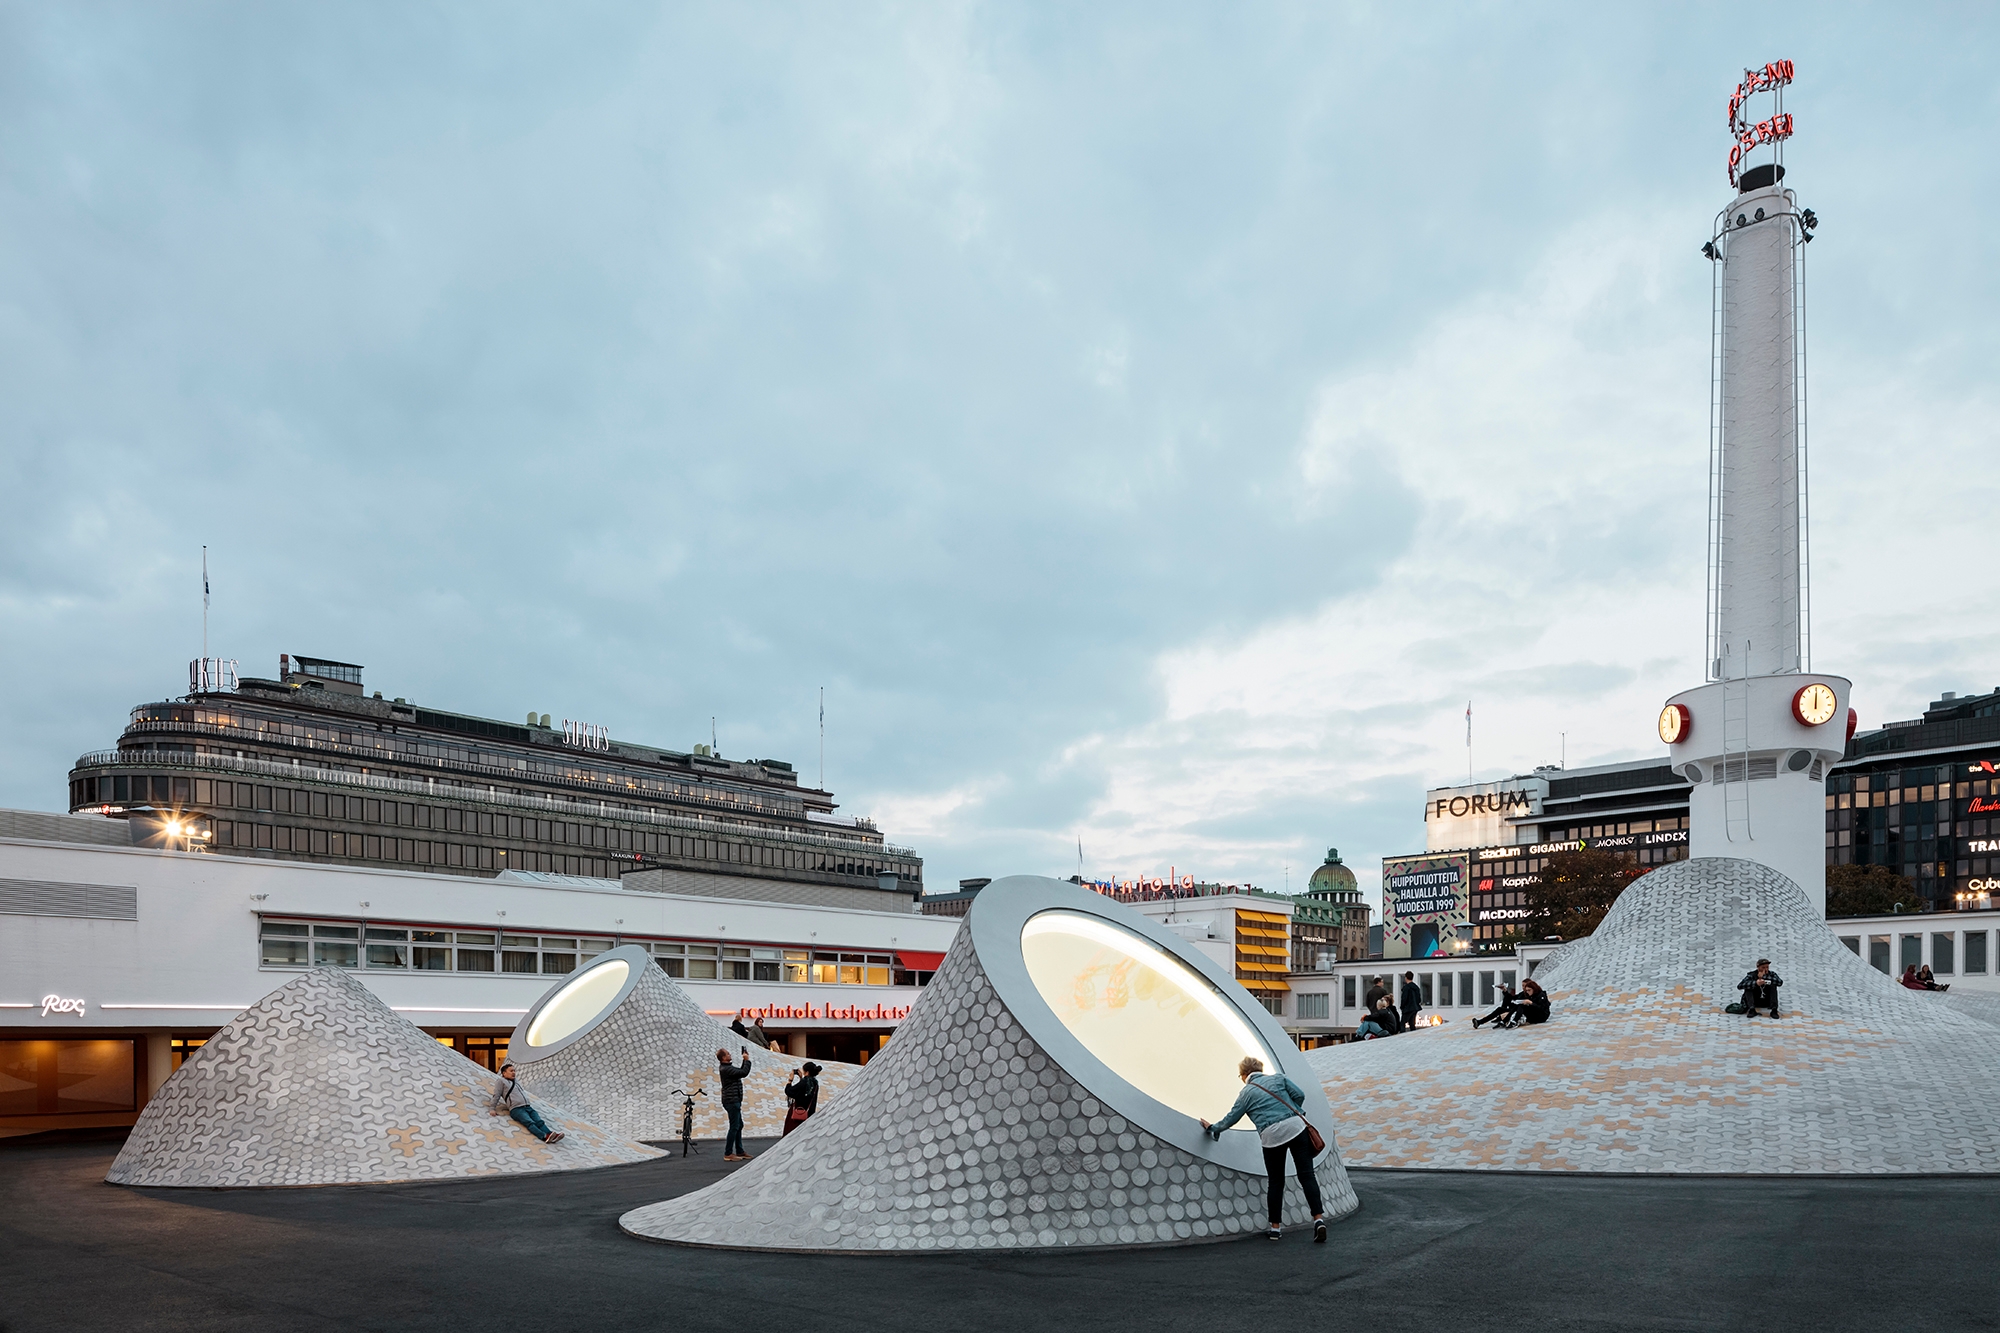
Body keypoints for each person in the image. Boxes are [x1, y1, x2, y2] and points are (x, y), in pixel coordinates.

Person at [1198, 1056, 1328, 1244]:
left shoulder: (1246, 1093)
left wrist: (1213, 1128)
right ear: (1260, 1069)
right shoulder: (1278, 1078)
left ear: (1243, 1075)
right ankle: (1318, 1220)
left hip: (1272, 1136)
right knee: (1307, 1175)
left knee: (1276, 1182)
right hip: (1295, 1127)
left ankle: (1275, 1228)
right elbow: (1299, 1094)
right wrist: (1293, 1110)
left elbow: (1231, 1118)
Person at [488, 1061, 564, 1144]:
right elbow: (497, 1094)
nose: (513, 1073)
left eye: (514, 1070)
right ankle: (544, 1136)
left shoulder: (515, 1081)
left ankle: (550, 1134)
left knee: (539, 1121)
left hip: (527, 1106)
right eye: (511, 1071)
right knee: (529, 1122)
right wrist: (492, 1108)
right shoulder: (501, 1081)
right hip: (516, 1109)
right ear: (504, 1073)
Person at [717, 1045, 752, 1159]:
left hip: (734, 1099)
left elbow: (739, 1072)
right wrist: (747, 1060)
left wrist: (744, 1060)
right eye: (727, 1054)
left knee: (738, 1125)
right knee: (734, 1126)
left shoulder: (727, 1068)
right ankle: (728, 1153)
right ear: (723, 1058)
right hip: (731, 1100)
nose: (730, 1054)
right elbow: (743, 1073)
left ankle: (739, 1150)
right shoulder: (726, 1069)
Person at [783, 1061, 821, 1136]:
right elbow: (805, 1093)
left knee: (791, 1134)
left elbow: (789, 1091)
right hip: (809, 1113)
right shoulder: (815, 1083)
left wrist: (790, 1080)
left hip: (797, 1113)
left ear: (806, 1072)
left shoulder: (804, 1082)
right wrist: (801, 1078)